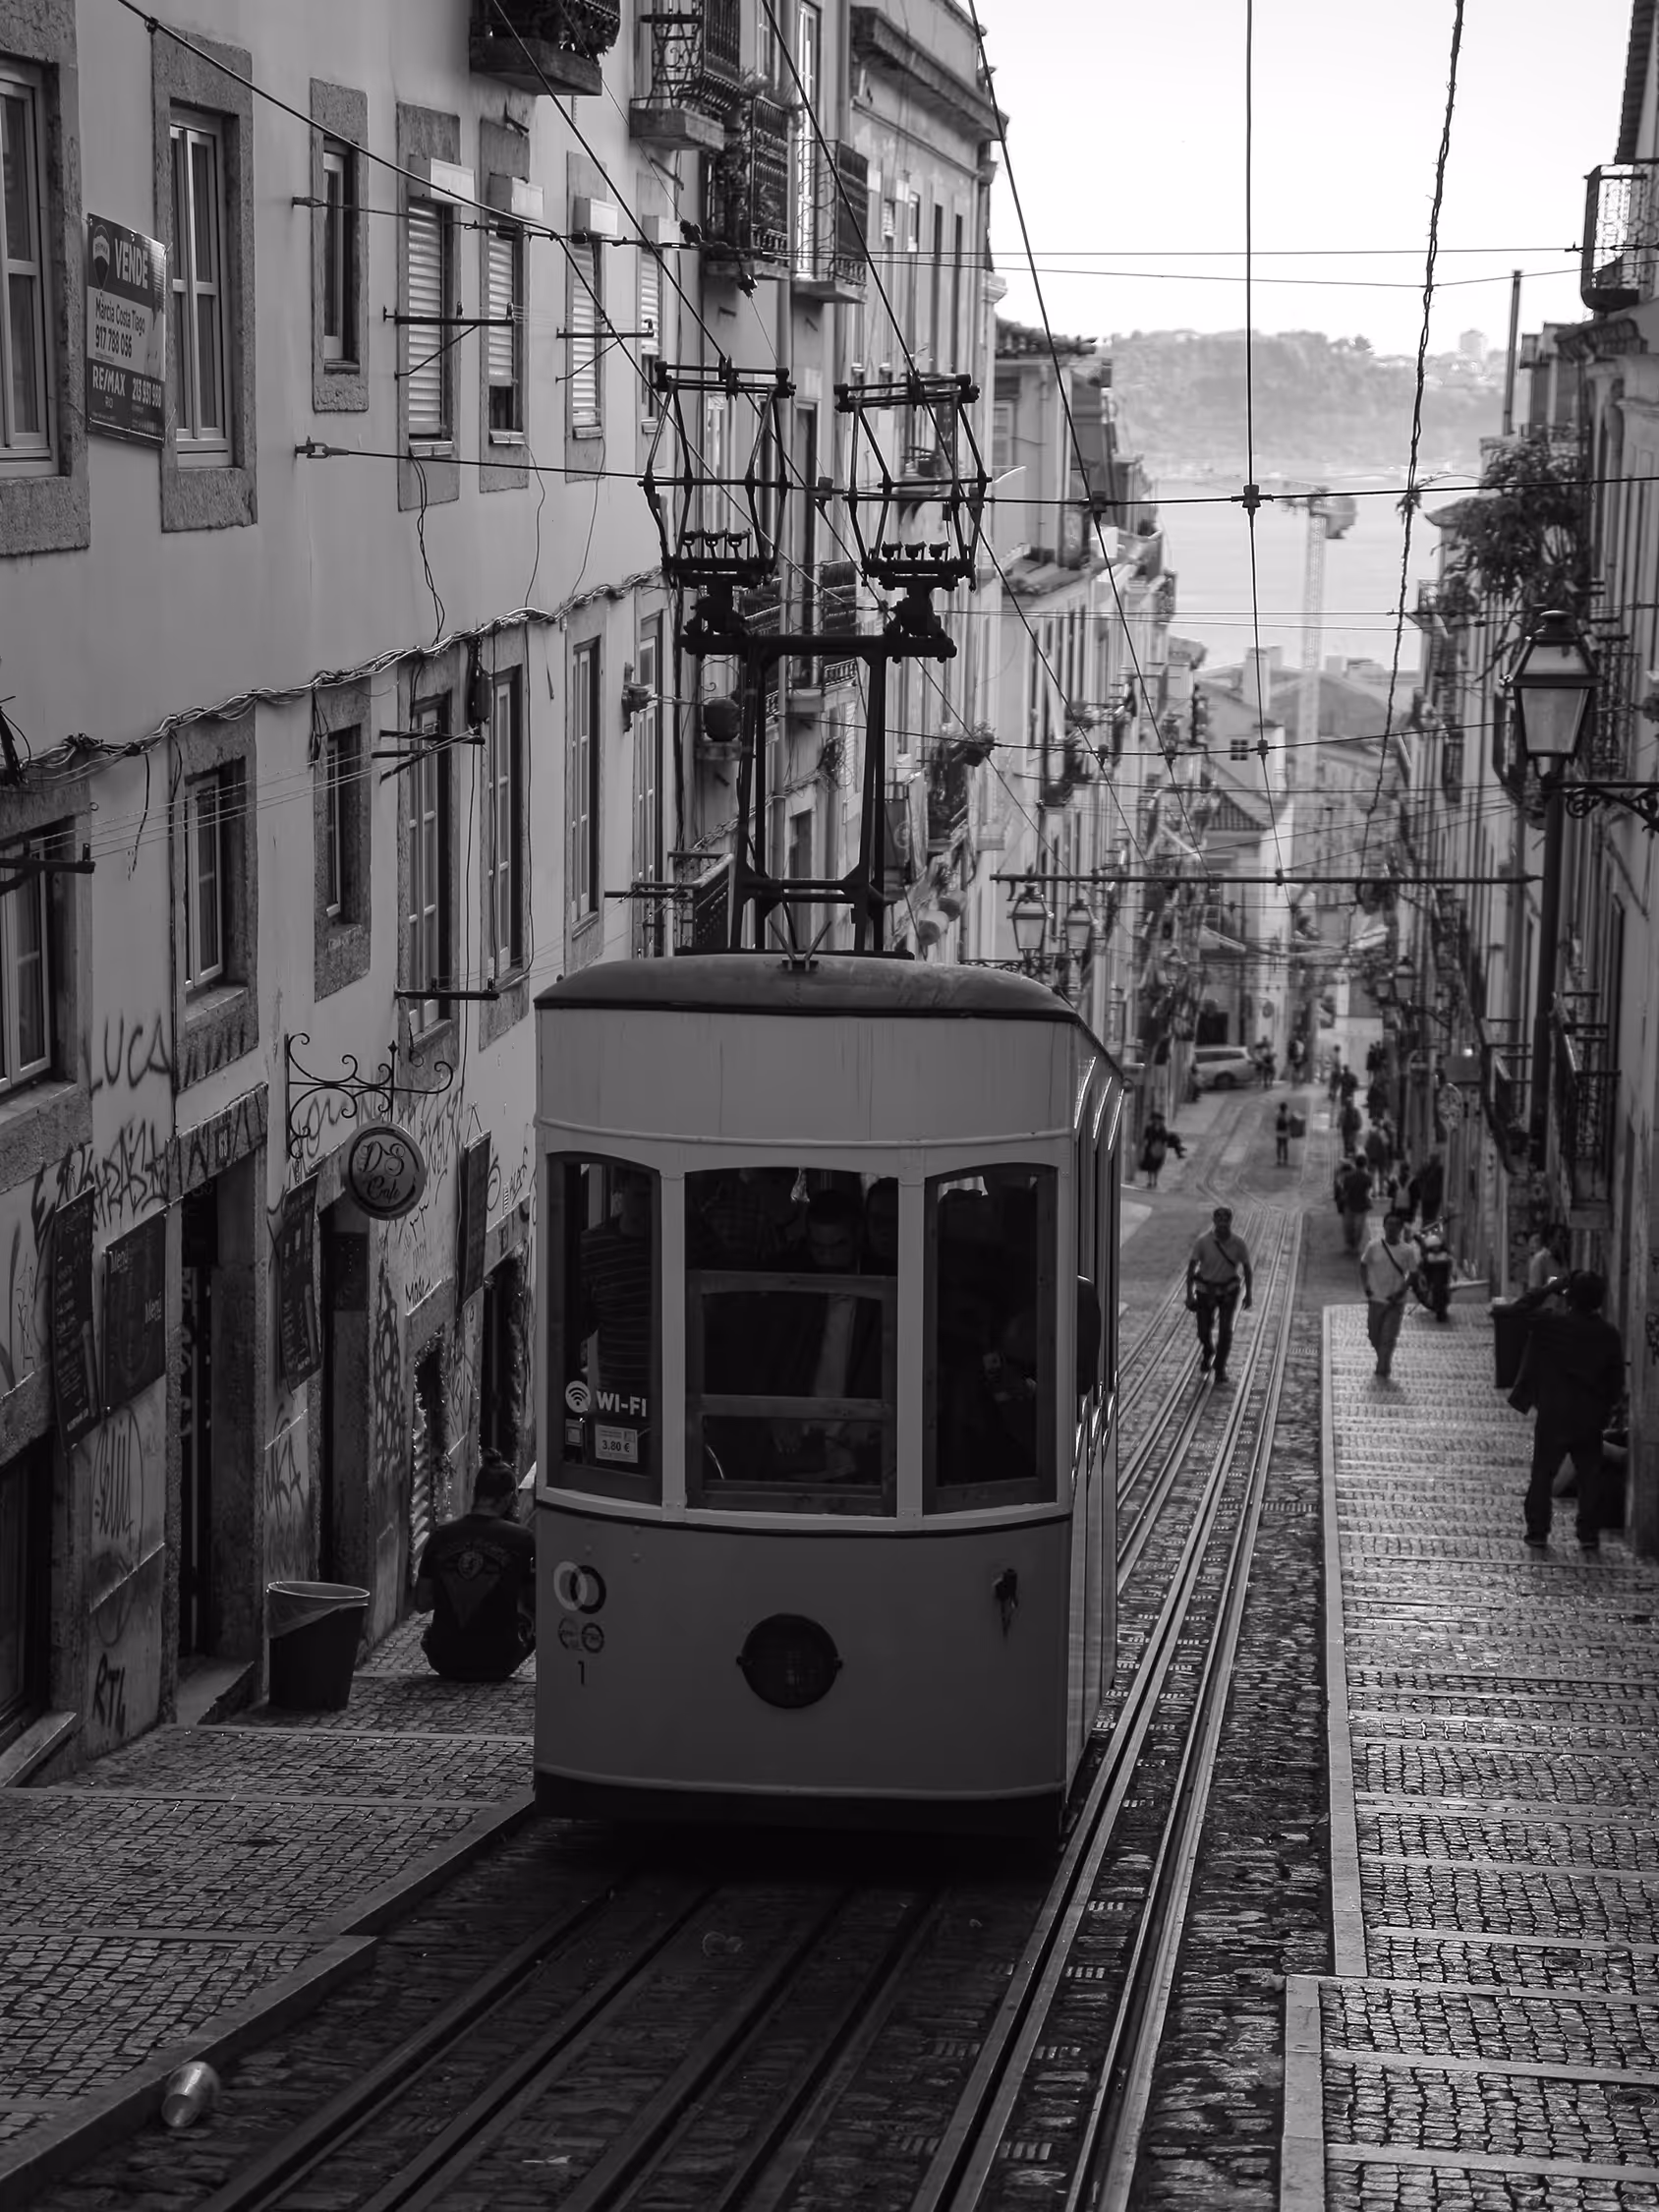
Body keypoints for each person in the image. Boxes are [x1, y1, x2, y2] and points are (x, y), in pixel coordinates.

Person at [1508, 1270, 1625, 1550]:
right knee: (1589, 1477)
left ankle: (1537, 1531)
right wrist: (1604, 1410)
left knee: (1543, 1474)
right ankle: (1588, 1534)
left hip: (1554, 1413)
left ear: (1569, 1296)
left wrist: (1551, 1287)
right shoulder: (1608, 1335)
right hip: (1589, 1416)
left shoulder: (1552, 1325)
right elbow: (1616, 1382)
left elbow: (1518, 1309)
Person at [413, 1452, 536, 1682]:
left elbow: (421, 1602)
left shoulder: (440, 1536)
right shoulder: (523, 1539)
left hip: (444, 1659)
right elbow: (534, 1602)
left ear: (475, 1492)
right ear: (508, 1498)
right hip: (500, 1660)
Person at [1185, 1205, 1253, 1386]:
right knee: (1202, 1331)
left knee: (1225, 1331)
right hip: (1205, 1291)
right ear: (1214, 1221)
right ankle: (1208, 1351)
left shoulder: (1238, 1244)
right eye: (1219, 1220)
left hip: (1228, 1292)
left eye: (1226, 1221)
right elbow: (1192, 1268)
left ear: (1230, 1222)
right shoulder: (1203, 1242)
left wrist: (1249, 1294)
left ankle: (1220, 1367)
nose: (1223, 1224)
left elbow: (1247, 1268)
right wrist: (1189, 1295)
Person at [1359, 1208, 1420, 1381]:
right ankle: (1383, 1358)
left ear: (1401, 1228)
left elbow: (1414, 1275)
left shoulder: (1407, 1251)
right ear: (1384, 1226)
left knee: (1388, 1336)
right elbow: (1363, 1265)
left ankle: (1383, 1366)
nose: (1392, 1228)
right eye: (1389, 1224)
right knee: (1374, 1335)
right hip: (1376, 1299)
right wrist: (1366, 1287)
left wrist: (1401, 1291)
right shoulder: (1373, 1246)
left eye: (1396, 1225)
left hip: (1395, 1301)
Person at [1339, 1155, 1373, 1254]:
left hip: (1349, 1205)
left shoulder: (1348, 1177)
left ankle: (1349, 1245)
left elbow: (1344, 1191)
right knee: (1359, 1227)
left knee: (1348, 1226)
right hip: (1362, 1206)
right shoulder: (1368, 1177)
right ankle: (1355, 1247)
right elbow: (1369, 1191)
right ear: (1365, 1165)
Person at [1274, 1100, 1290, 1166]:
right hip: (1285, 1132)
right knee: (1285, 1146)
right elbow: (1289, 1123)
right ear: (1285, 1108)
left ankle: (1279, 1160)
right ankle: (1285, 1160)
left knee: (1279, 1146)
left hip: (1279, 1132)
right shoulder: (1287, 1114)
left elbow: (1275, 1122)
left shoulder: (1277, 1114)